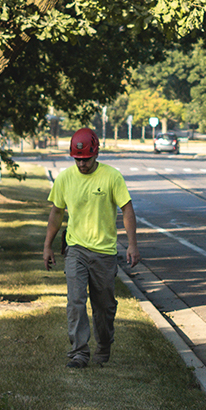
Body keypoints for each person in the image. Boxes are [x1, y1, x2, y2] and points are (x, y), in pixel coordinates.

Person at [42, 128, 139, 369]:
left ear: (96, 154)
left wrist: (132, 245)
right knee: (75, 300)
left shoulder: (111, 177)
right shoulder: (65, 178)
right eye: (78, 159)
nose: (82, 164)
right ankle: (79, 352)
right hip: (76, 249)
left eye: (86, 159)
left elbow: (127, 210)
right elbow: (56, 212)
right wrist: (47, 246)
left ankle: (104, 343)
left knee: (104, 306)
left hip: (105, 252)